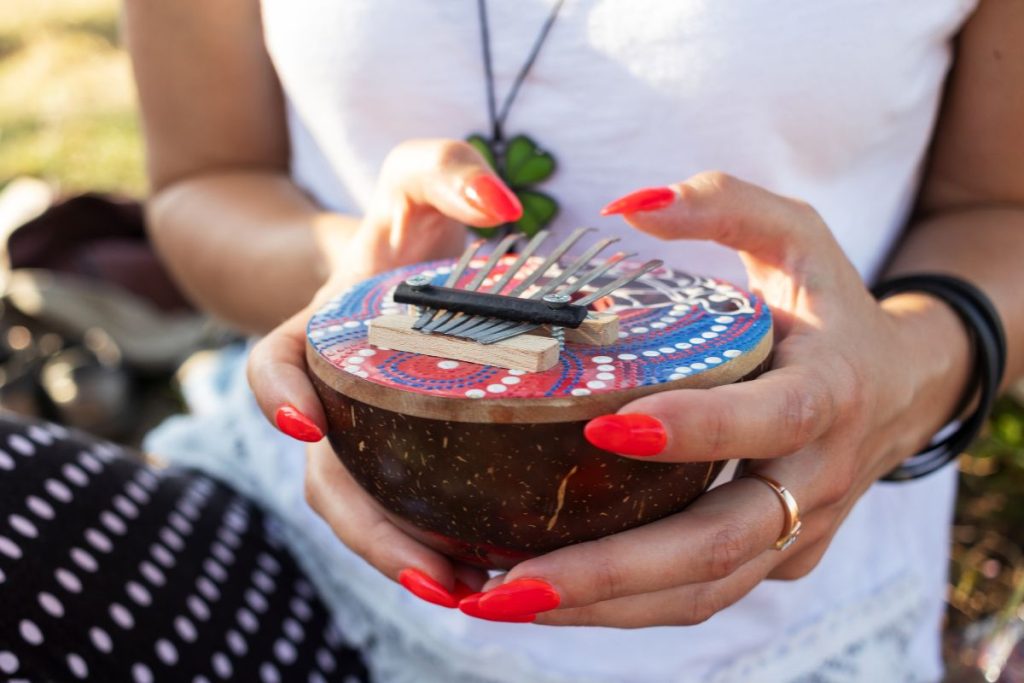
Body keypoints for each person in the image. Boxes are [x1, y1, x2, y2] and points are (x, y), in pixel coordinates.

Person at [2, 1, 1022, 681]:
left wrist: (909, 370)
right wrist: (357, 282)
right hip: (301, 542)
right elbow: (203, 178)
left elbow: (1001, 206)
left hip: (770, 636)